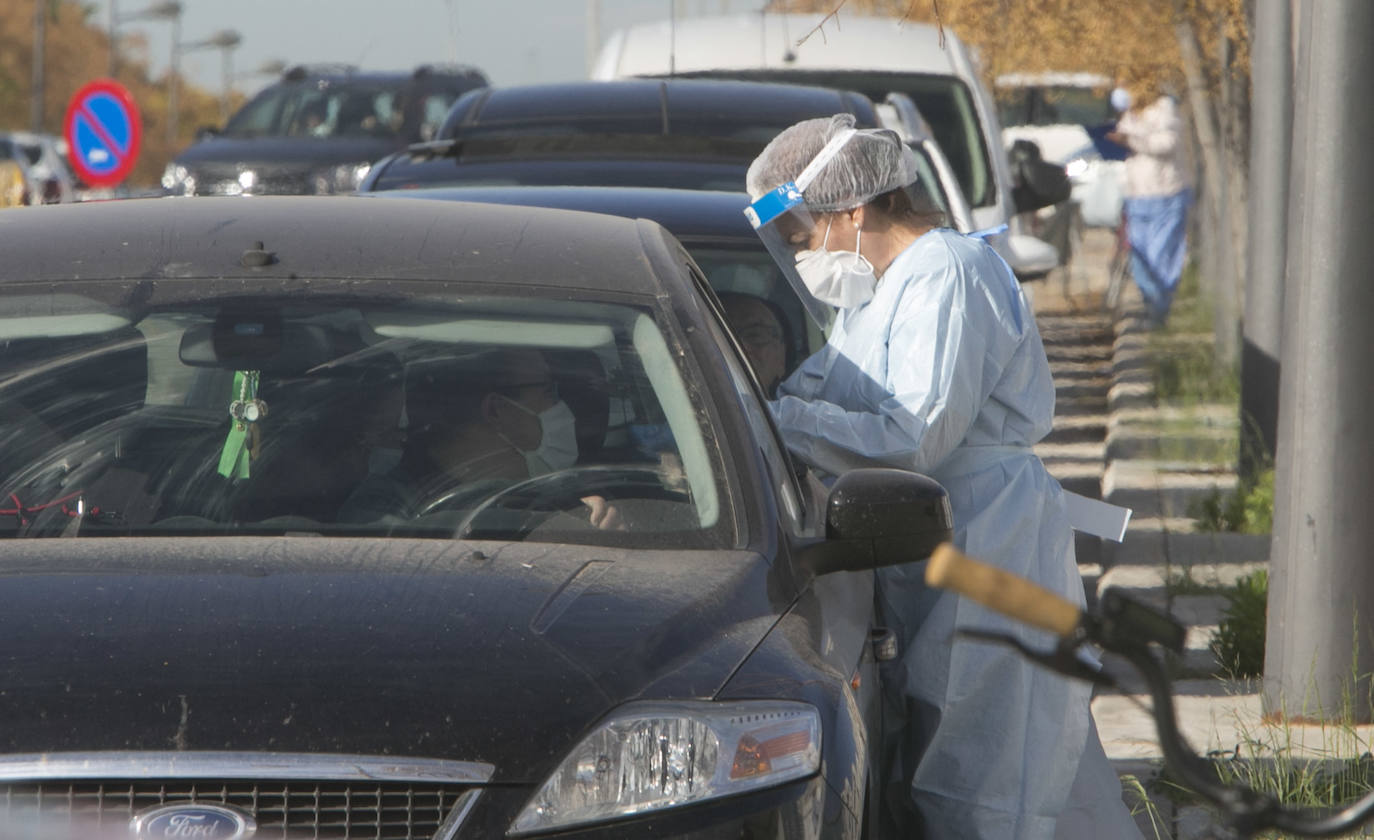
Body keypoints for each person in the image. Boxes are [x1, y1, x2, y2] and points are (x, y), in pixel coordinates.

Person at [744, 114, 1140, 839]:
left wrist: (778, 422)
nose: (802, 254)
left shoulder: (949, 273)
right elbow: (815, 391)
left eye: (804, 234)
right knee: (981, 765)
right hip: (940, 549)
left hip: (993, 549)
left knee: (994, 777)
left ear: (853, 211)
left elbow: (912, 435)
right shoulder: (880, 294)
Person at [338, 347, 623, 530]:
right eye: (549, 392)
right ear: (496, 410)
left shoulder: (568, 497)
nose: (563, 409)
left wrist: (604, 536)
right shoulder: (380, 513)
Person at [1106, 79, 1192, 326]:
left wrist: (1131, 141)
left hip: (1165, 194)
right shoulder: (1130, 113)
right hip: (1137, 195)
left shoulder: (1165, 109)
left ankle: (1159, 310)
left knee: (1162, 256)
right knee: (1140, 255)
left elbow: (1167, 143)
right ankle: (1152, 304)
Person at [718, 292, 789, 397]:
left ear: (781, 359)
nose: (740, 347)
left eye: (755, 335)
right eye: (723, 335)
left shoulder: (795, 411)